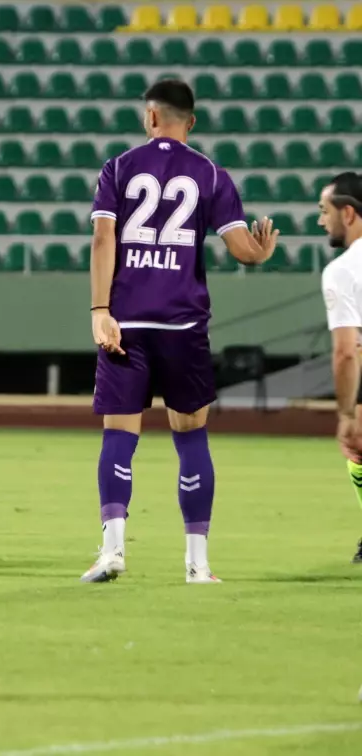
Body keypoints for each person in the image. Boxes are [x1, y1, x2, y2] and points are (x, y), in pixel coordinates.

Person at [84, 79, 278, 583]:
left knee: (119, 437)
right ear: (190, 122)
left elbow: (104, 237)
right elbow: (241, 249)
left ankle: (112, 551)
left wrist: (99, 309)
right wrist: (260, 253)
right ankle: (198, 565)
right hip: (183, 325)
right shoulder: (210, 173)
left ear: (150, 118)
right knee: (191, 438)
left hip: (126, 323)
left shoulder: (119, 168)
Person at [315, 172, 362, 563]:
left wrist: (346, 413)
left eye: (324, 211)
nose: (320, 220)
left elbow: (346, 351)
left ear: (348, 213)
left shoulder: (344, 270)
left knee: (357, 451)